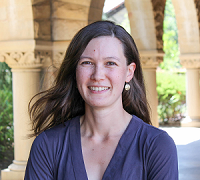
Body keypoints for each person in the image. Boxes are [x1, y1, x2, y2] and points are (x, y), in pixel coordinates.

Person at [24, 21, 178, 180]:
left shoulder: (157, 146)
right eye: (87, 63)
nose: (97, 75)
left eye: (110, 63)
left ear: (129, 72)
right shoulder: (48, 145)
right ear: (75, 71)